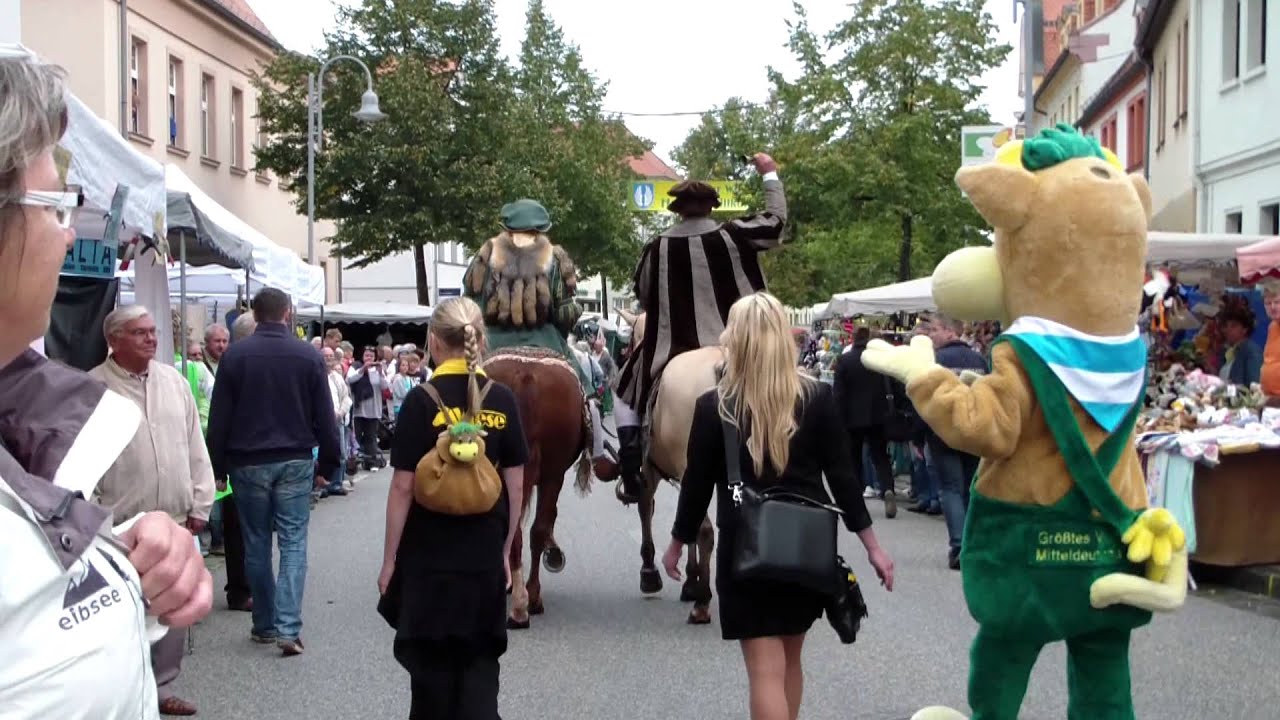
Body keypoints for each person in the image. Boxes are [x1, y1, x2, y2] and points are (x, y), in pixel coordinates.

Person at [0, 43, 211, 719]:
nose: (68, 238)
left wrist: (116, 557)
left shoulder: (56, 409)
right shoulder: (89, 385)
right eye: (56, 205)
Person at [662, 293, 894, 720]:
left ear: (738, 340)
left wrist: (678, 542)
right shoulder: (817, 398)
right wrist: (873, 548)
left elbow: (695, 486)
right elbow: (844, 479)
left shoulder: (716, 407)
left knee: (764, 672)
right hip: (807, 548)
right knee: (790, 661)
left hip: (745, 549)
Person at [380, 297, 528, 719]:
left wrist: (390, 560)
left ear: (433, 342)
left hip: (428, 557)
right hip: (482, 554)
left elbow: (403, 487)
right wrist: (505, 551)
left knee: (430, 673)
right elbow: (515, 486)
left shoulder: (420, 400)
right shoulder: (501, 398)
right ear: (479, 339)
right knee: (480, 665)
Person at [615, 153, 787, 500]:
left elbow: (645, 294)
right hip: (743, 346)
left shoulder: (657, 246)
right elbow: (777, 221)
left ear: (677, 210)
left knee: (623, 391)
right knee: (787, 380)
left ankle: (632, 469)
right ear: (712, 207)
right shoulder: (735, 235)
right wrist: (769, 174)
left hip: (672, 349)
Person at [206, 287, 341, 657]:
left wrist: (216, 467)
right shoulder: (306, 356)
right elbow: (325, 416)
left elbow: (219, 418)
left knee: (256, 542)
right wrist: (329, 462)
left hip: (247, 461)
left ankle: (264, 623)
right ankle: (288, 627)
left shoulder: (234, 356)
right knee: (294, 542)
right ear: (288, 313)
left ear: (255, 313)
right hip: (295, 458)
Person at [463, 199, 611, 477]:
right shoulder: (555, 258)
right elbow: (565, 313)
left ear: (505, 227)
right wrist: (575, 309)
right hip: (547, 340)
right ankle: (598, 451)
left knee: (455, 386)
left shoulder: (485, 255)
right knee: (588, 393)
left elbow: (469, 302)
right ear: (541, 229)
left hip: (492, 341)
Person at [832, 326, 898, 518]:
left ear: (853, 339)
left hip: (852, 418)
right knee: (880, 456)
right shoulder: (878, 360)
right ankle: (888, 489)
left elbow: (839, 394)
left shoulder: (845, 360)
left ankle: (857, 496)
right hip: (878, 416)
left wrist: (838, 419)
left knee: (854, 458)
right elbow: (894, 386)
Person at [1219, 308, 1263, 386]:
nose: (1227, 330)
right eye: (1226, 326)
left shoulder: (1251, 351)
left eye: (1233, 326)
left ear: (1245, 329)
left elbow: (1255, 386)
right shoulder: (1228, 351)